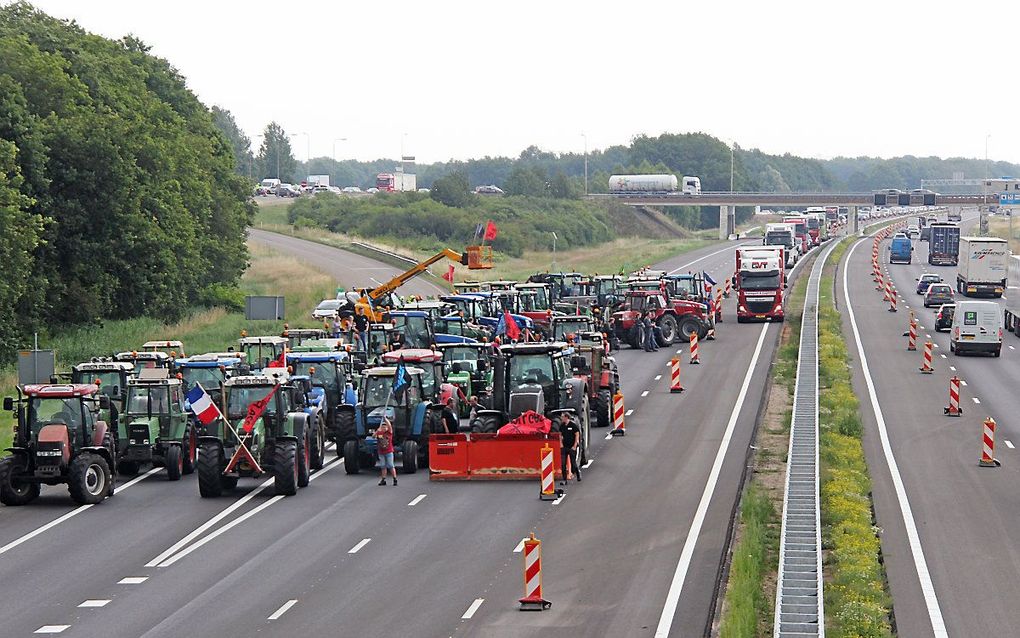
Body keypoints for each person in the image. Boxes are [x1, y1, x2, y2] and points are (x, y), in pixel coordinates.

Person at [558, 411, 581, 484]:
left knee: (573, 463)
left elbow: (577, 434)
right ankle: (564, 479)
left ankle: (578, 475)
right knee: (563, 464)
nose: (561, 418)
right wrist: (561, 444)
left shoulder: (573, 425)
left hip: (571, 447)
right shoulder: (562, 426)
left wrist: (575, 445)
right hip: (564, 447)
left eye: (562, 417)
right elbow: (560, 435)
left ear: (566, 417)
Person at [376, 417, 397, 486]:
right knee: (383, 466)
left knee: (391, 465)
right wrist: (377, 431)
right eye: (383, 427)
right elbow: (373, 436)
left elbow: (390, 426)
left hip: (389, 452)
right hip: (381, 453)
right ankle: (383, 480)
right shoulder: (379, 433)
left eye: (385, 427)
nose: (384, 428)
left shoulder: (389, 433)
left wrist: (385, 419)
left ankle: (394, 479)